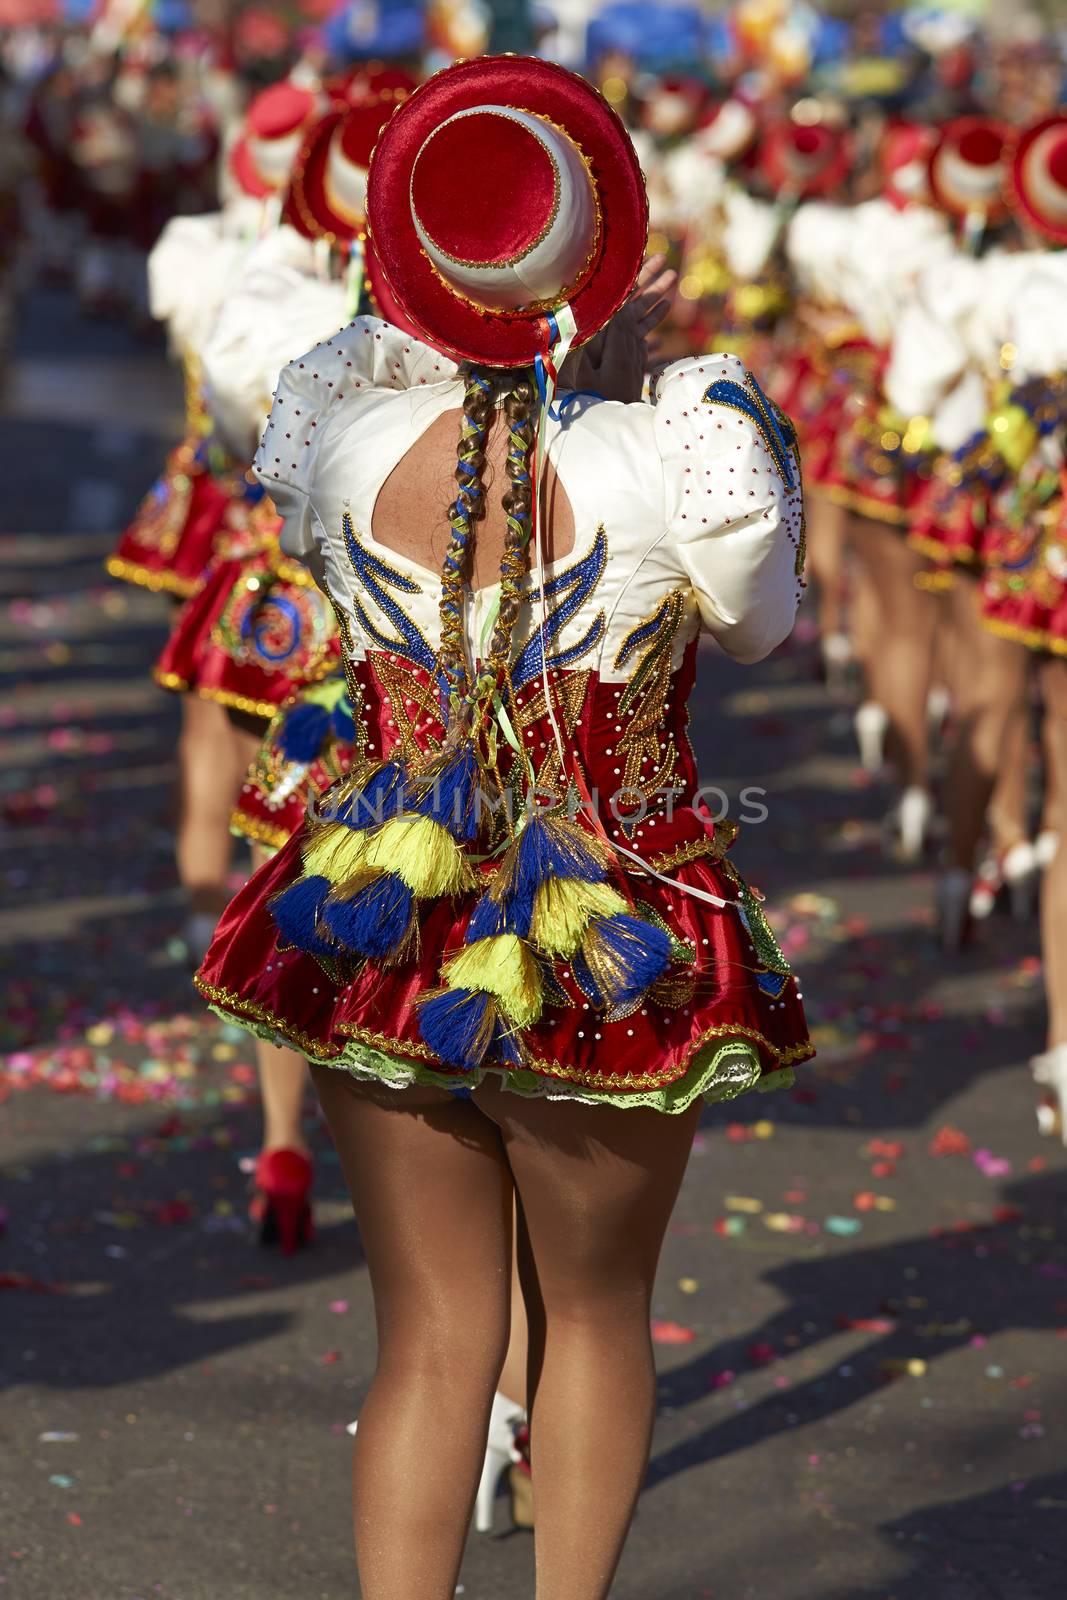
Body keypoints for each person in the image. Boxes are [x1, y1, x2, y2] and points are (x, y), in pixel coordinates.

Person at [196, 56, 811, 1598]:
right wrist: (649, 364)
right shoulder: (684, 437)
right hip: (615, 921)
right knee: (594, 1322)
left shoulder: (339, 421)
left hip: (381, 915)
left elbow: (386, 379)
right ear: (608, 262)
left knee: (428, 1340)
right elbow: (763, 626)